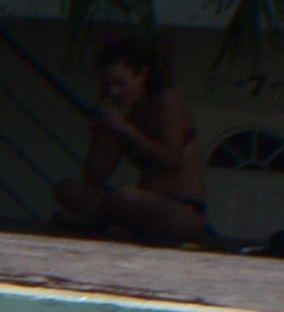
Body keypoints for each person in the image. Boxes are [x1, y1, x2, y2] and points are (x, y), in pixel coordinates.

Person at [56, 30, 217, 243]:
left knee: (125, 196)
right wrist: (99, 135)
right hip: (139, 208)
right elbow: (95, 177)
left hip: (180, 208)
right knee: (68, 189)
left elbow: (170, 158)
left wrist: (126, 128)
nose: (114, 92)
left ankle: (103, 225)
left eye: (121, 84)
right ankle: (114, 225)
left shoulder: (167, 100)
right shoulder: (124, 113)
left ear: (141, 75)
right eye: (108, 85)